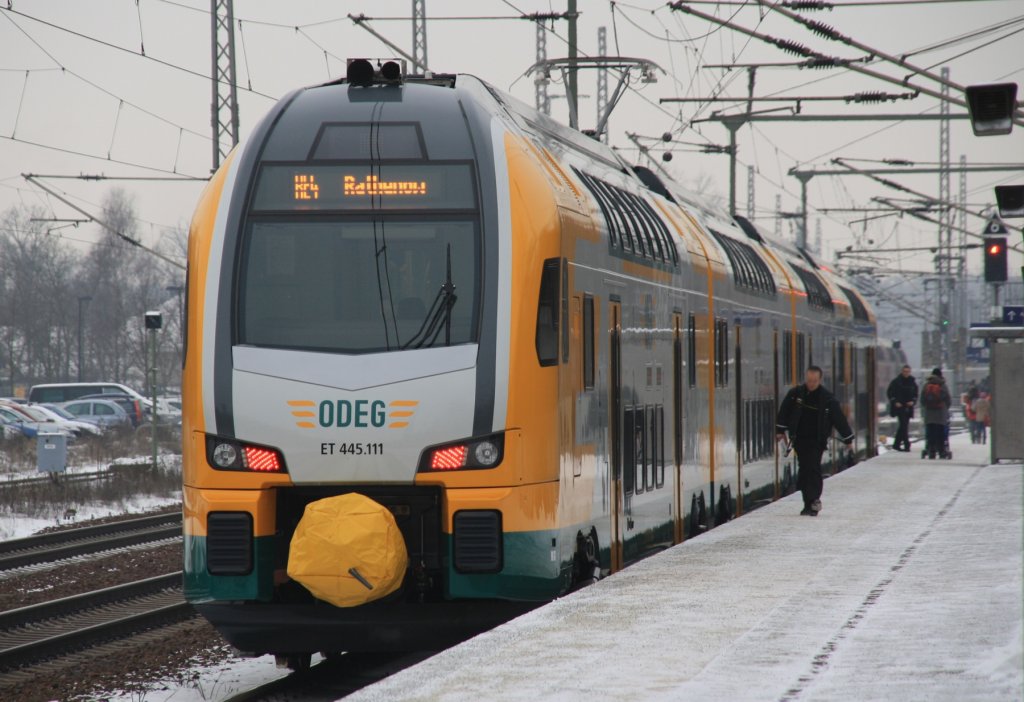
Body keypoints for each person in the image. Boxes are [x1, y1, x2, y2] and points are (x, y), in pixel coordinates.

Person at [776, 366, 855, 517]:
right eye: (809, 380)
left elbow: (839, 419)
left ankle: (813, 500)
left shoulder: (827, 399)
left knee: (813, 468)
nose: (811, 383)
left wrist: (848, 439)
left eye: (814, 381)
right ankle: (809, 502)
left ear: (819, 380)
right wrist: (780, 431)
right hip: (799, 439)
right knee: (805, 469)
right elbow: (784, 412)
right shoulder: (796, 394)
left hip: (817, 440)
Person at [919, 367, 952, 459]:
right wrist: (946, 409)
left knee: (930, 432)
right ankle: (941, 451)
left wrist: (926, 407)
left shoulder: (927, 385)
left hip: (929, 414)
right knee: (940, 432)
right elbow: (948, 399)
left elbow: (922, 400)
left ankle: (931, 451)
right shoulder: (942, 385)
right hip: (941, 414)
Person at [886, 364, 918, 452]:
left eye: (908, 372)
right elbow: (890, 393)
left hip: (908, 407)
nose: (906, 373)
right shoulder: (896, 382)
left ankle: (896, 444)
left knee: (903, 425)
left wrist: (913, 401)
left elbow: (915, 394)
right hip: (899, 407)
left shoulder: (912, 382)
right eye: (904, 372)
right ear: (902, 372)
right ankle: (907, 444)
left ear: (910, 372)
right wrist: (895, 401)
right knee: (904, 425)